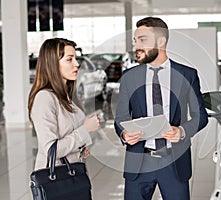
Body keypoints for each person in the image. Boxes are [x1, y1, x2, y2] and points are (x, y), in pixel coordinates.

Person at [114, 17, 208, 200]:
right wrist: (124, 135)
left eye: (143, 40)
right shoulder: (129, 77)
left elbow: (200, 116)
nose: (137, 46)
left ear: (161, 41)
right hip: (138, 163)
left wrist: (181, 131)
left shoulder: (187, 74)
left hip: (174, 162)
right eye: (136, 41)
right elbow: (120, 117)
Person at [28, 38, 100, 170]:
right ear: (53, 64)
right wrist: (86, 129)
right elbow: (50, 150)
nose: (76, 64)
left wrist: (80, 150)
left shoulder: (67, 96)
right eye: (69, 59)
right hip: (56, 181)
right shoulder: (44, 98)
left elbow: (69, 135)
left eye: (75, 59)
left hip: (74, 173)